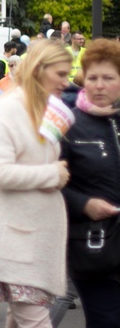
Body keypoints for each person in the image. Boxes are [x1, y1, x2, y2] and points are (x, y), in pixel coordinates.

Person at [0, 39, 72, 327]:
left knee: (20, 320)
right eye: (60, 74)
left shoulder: (39, 108)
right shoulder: (8, 110)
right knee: (34, 322)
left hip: (30, 243)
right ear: (39, 69)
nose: (66, 83)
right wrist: (51, 175)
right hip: (16, 244)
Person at [61, 38, 120, 326]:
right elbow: (53, 184)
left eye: (108, 78)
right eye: (93, 78)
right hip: (93, 247)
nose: (99, 85)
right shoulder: (69, 123)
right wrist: (85, 204)